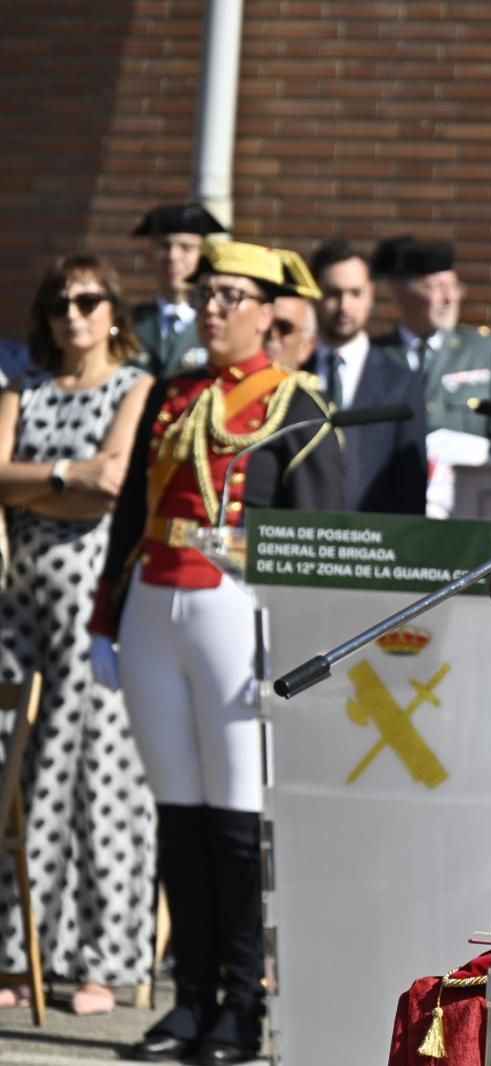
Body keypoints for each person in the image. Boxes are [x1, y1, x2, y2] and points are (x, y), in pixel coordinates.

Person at [90, 239, 344, 1064]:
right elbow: (134, 510)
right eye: (207, 294)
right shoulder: (173, 392)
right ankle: (189, 999)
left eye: (231, 296)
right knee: (179, 813)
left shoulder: (296, 404)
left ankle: (242, 1006)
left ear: (271, 313)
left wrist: (308, 641)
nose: (212, 308)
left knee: (236, 820)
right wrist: (105, 616)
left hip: (236, 609)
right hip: (155, 603)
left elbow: (319, 537)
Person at [0, 255, 156, 1016]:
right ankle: (18, 956)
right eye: (59, 301)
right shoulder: (22, 392)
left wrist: (37, 478)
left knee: (100, 778)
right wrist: (70, 475)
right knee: (18, 772)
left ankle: (105, 962)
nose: (73, 313)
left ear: (114, 311)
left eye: (88, 300)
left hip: (96, 605)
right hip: (21, 603)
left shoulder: (135, 387)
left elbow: (114, 482)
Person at [370, 235, 491, 465]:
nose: (449, 298)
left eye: (453, 286)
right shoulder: (374, 356)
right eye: (436, 287)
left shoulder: (486, 352)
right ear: (402, 294)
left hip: (466, 494)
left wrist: (478, 481)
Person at [310, 240, 426, 514]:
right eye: (333, 293)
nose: (344, 306)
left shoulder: (401, 383)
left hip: (375, 540)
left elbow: (411, 485)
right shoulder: (292, 377)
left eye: (355, 293)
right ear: (313, 294)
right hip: (303, 539)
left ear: (371, 295)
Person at [129, 203, 227, 378]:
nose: (173, 256)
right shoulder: (128, 323)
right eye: (164, 246)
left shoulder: (219, 325)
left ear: (202, 255)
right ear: (150, 254)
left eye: (186, 247)